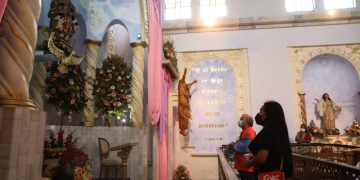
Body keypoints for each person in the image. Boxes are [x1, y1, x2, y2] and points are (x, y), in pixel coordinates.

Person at [245, 101, 293, 179]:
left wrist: (249, 163)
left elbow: (261, 158)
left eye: (261, 110)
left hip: (267, 174)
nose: (259, 114)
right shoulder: (279, 130)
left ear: (268, 114)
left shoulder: (267, 132)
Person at [234, 114, 256, 180]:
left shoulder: (250, 131)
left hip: (246, 166)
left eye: (241, 119)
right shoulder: (244, 132)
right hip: (241, 165)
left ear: (247, 122)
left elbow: (245, 147)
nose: (240, 121)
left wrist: (234, 145)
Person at [178, 68, 197, 136]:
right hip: (183, 103)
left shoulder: (183, 86)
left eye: (184, 131)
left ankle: (185, 132)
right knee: (185, 116)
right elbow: (184, 80)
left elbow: (188, 86)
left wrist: (193, 82)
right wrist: (185, 73)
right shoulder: (181, 85)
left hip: (184, 105)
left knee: (185, 116)